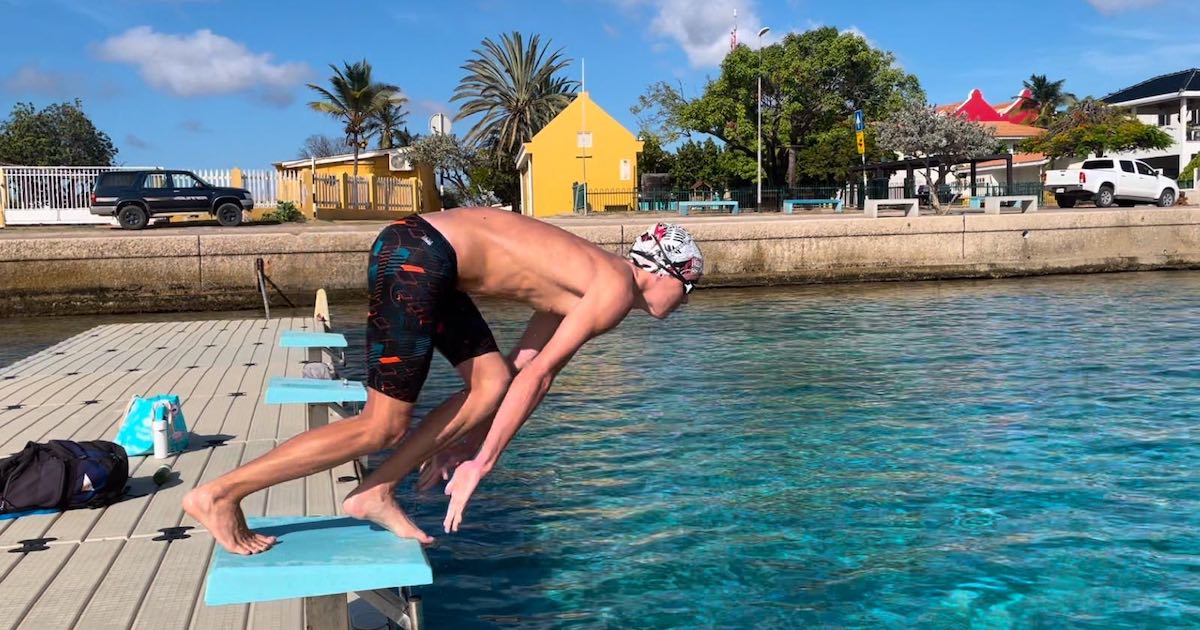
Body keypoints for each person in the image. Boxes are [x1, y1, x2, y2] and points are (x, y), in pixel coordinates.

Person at [183, 208, 704, 555]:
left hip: (432, 258)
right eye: (689, 287)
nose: (686, 300)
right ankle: (221, 494)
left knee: (491, 381)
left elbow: (525, 370)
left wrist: (464, 440)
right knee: (380, 427)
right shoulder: (612, 291)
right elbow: (541, 378)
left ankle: (377, 491)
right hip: (420, 255)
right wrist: (482, 463)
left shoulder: (589, 282)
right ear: (664, 273)